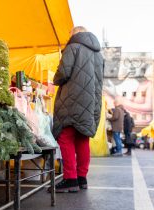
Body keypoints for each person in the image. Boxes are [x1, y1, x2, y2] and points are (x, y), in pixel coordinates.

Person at [52, 26, 104, 193]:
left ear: (74, 34)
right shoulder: (98, 54)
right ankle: (82, 178)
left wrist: (55, 78)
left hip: (72, 99)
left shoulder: (73, 47)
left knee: (65, 137)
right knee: (82, 139)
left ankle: (70, 179)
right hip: (91, 102)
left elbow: (63, 73)